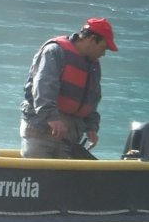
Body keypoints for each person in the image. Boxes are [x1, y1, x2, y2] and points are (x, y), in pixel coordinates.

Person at [20, 17, 118, 158]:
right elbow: (44, 86)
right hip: (41, 133)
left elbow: (92, 99)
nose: (103, 54)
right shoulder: (55, 51)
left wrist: (91, 127)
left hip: (67, 139)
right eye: (103, 48)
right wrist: (51, 117)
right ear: (91, 39)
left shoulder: (93, 66)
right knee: (40, 174)